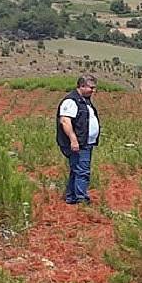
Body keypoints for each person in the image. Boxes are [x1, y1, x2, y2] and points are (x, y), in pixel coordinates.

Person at [56, 74, 101, 205]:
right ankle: (81, 200)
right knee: (82, 171)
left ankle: (71, 197)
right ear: (81, 86)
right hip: (79, 143)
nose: (93, 90)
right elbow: (65, 121)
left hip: (86, 142)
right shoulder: (71, 101)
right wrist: (73, 139)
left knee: (77, 170)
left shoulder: (84, 100)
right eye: (91, 88)